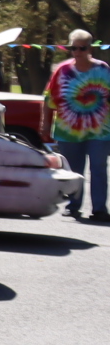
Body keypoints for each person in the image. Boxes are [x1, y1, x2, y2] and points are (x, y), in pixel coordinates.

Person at [48, 30, 110, 219]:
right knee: (74, 170)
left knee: (98, 168)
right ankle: (73, 206)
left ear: (89, 48)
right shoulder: (63, 70)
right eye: (73, 47)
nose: (77, 51)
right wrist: (44, 124)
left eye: (82, 48)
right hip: (69, 130)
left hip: (99, 129)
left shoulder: (103, 70)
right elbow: (49, 98)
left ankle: (99, 209)